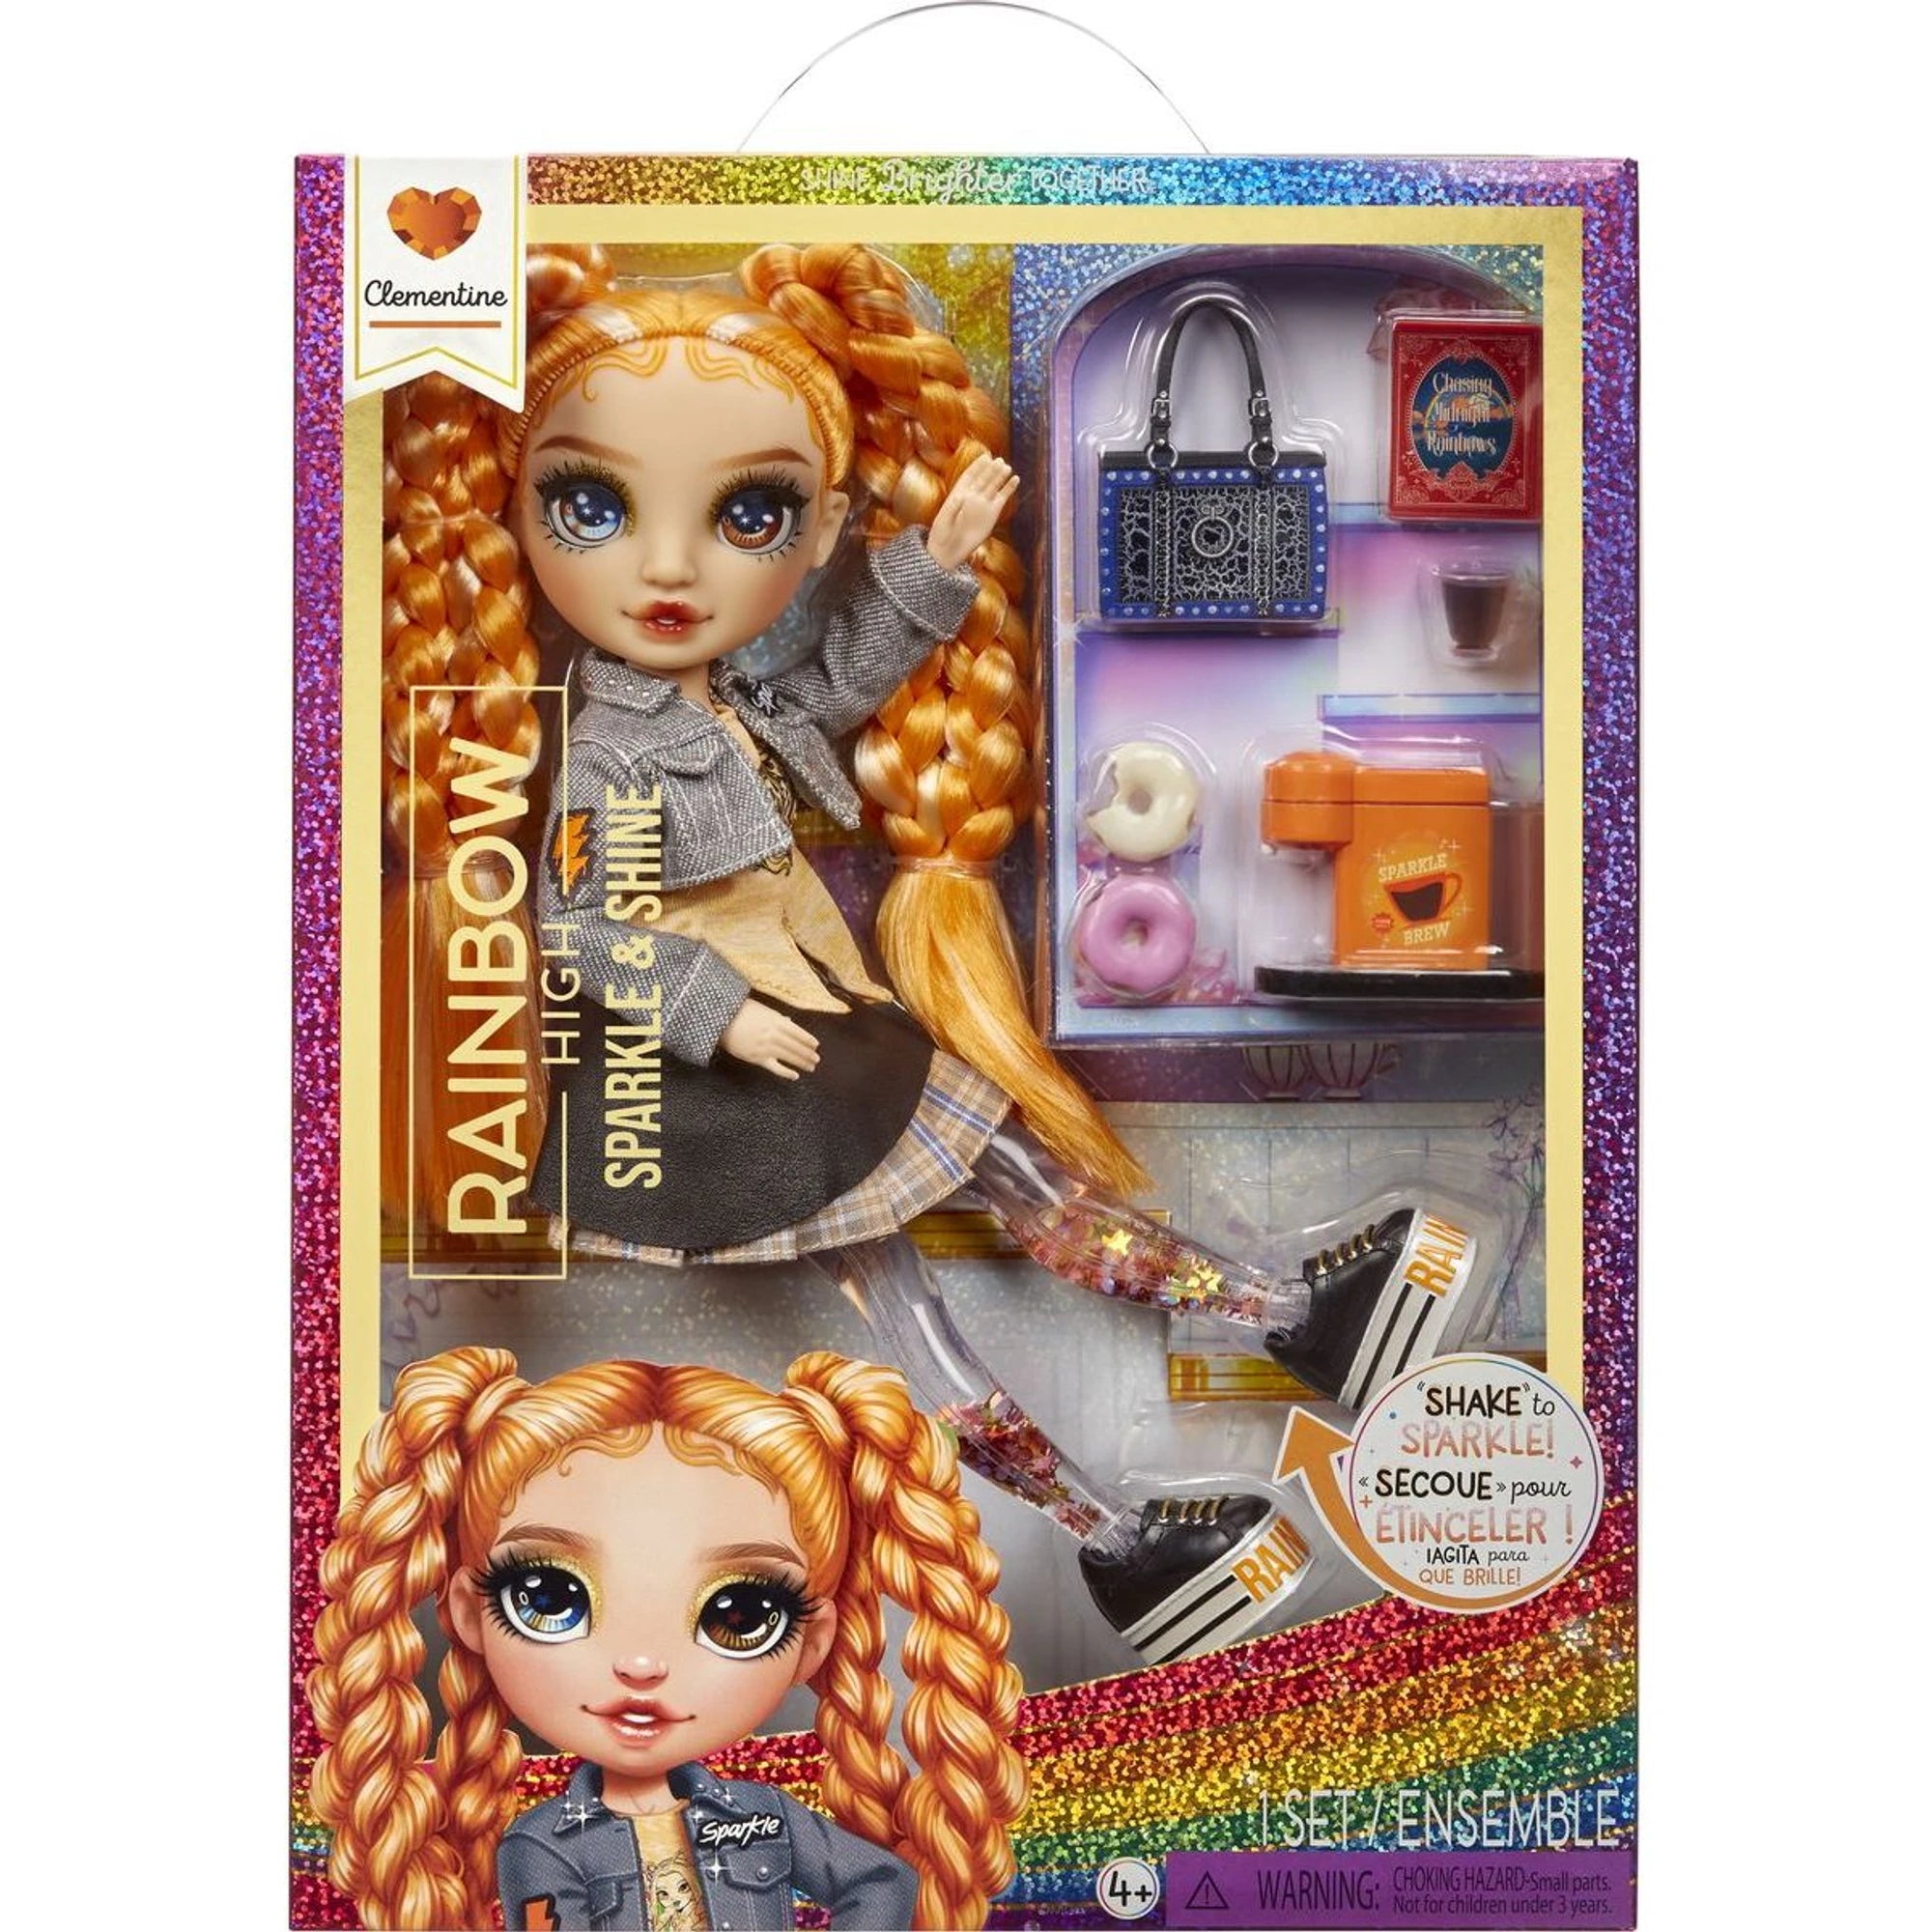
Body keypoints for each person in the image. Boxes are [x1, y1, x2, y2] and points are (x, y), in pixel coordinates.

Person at [381, 242, 1505, 1662]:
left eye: (749, 512)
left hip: (808, 1052)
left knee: (966, 1267)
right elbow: (575, 926)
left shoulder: (722, 700)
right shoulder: (607, 746)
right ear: (515, 516)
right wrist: (713, 1007)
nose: (665, 566)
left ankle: (1207, 1432)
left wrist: (930, 562)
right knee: (964, 1267)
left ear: (818, 525)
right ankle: (1246, 1377)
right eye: (591, 506)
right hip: (735, 1091)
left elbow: (826, 690)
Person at [307, 1347, 1025, 1931]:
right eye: (550, 1598)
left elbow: (881, 1881)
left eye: (739, 1613)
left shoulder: (763, 1818)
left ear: (813, 1643)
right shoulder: (541, 1844)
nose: (642, 1665)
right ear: (468, 1613)